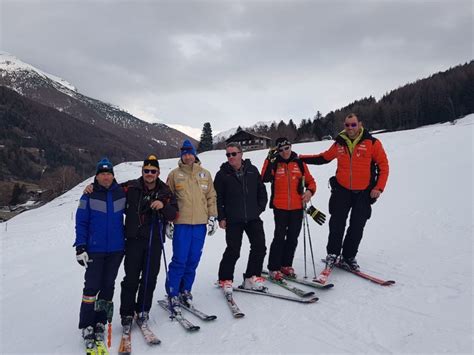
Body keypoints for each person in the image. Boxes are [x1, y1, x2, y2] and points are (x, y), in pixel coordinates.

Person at [300, 113, 389, 271]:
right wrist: (301, 158)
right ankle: (332, 254)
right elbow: (324, 158)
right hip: (342, 190)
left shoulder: (372, 143)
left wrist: (378, 187)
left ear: (360, 124)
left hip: (364, 192)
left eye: (353, 124)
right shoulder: (339, 143)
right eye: (347, 125)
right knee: (336, 224)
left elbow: (384, 166)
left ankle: (348, 256)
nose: (350, 128)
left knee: (357, 226)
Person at [119, 154, 178, 329]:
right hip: (133, 240)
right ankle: (127, 313)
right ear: (142, 171)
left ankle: (143, 309)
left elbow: (174, 214)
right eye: (146, 171)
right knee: (130, 278)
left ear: (158, 172)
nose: (149, 174)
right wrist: (93, 186)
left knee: (149, 277)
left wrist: (163, 206)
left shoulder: (165, 191)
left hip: (154, 240)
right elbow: (110, 189)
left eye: (153, 171)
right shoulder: (131, 186)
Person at [74, 157, 126, 350]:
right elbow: (81, 222)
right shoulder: (88, 195)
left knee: (108, 287)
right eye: (102, 173)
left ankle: (100, 322)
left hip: (116, 250)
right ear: (96, 176)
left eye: (109, 173)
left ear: (113, 176)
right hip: (95, 249)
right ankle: (87, 324)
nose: (106, 177)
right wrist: (80, 246)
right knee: (91, 288)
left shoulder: (121, 193)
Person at [165, 139, 217, 314]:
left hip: (200, 225)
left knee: (193, 259)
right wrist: (168, 221)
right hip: (182, 224)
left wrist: (212, 218)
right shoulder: (174, 175)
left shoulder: (205, 174)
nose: (188, 156)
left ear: (194, 154)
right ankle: (172, 292)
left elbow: (211, 197)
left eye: (190, 153)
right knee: (180, 259)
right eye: (184, 153)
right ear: (181, 155)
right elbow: (167, 199)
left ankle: (185, 290)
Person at [214, 142, 268, 293]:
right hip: (233, 219)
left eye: (233, 154)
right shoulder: (222, 174)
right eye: (228, 154)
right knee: (233, 249)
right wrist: (221, 217)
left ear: (241, 154)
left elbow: (261, 190)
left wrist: (259, 208)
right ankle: (225, 279)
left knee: (259, 247)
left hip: (252, 217)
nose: (230, 157)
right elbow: (218, 198)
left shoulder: (252, 170)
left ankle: (251, 277)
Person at [261, 137, 316, 280]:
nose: (285, 152)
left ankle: (286, 265)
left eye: (287, 148)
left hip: (297, 207)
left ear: (291, 147)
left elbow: (311, 181)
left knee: (293, 237)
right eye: (281, 149)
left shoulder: (299, 162)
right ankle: (273, 267)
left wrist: (309, 192)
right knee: (279, 237)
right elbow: (264, 177)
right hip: (280, 207)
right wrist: (269, 159)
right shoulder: (275, 163)